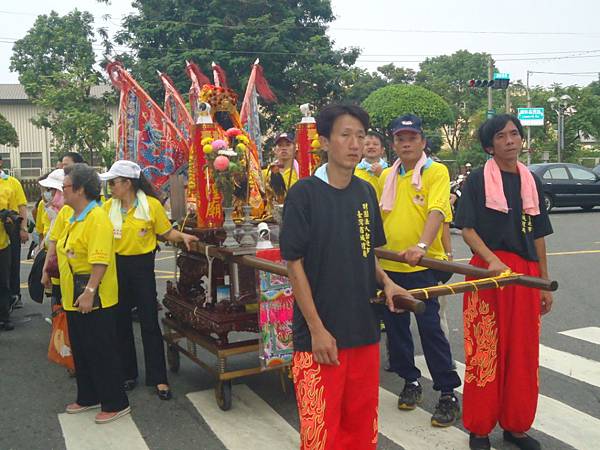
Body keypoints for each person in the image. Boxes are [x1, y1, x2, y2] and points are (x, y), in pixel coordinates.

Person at [280, 104, 409, 450]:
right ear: (324, 141)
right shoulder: (304, 195)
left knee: (361, 427)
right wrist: (317, 330)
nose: (355, 144)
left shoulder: (366, 192)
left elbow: (368, 255)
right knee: (321, 433)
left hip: (364, 329)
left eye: (361, 135)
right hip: (322, 338)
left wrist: (388, 282)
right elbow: (295, 266)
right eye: (345, 135)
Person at [455, 115, 553, 450]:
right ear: (489, 145)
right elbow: (467, 228)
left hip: (525, 275)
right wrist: (493, 261)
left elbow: (539, 233)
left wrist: (543, 279)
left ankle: (516, 425)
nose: (510, 140)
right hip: (487, 272)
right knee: (485, 350)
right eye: (501, 136)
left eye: (515, 134)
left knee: (523, 352)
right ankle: (479, 428)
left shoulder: (531, 181)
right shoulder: (478, 180)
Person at [377, 114, 461, 427]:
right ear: (394, 143)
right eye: (400, 138)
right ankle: (410, 381)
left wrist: (422, 247)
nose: (406, 142)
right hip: (389, 267)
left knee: (431, 331)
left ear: (423, 142)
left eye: (412, 137)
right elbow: (377, 218)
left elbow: (438, 209)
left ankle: (447, 392)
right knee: (397, 333)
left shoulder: (435, 171)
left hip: (424, 266)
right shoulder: (387, 175)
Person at [100, 160, 198, 400]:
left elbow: (165, 233)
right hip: (116, 267)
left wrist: (182, 235)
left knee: (149, 323)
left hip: (142, 267)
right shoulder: (106, 208)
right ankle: (127, 373)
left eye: (114, 182)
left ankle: (158, 378)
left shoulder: (151, 205)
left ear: (128, 183)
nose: (110, 187)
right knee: (120, 321)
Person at [43, 163, 130, 423]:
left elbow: (100, 260)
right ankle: (88, 396)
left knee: (101, 348)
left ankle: (116, 402)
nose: (61, 191)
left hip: (94, 294)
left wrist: (91, 291)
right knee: (81, 348)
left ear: (80, 190)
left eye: (66, 186)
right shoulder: (71, 216)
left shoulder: (97, 218)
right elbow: (60, 248)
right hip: (74, 293)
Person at [0, 156, 28, 311]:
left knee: (13, 263)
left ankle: (14, 295)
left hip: (11, 229)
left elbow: (22, 206)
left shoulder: (11, 182)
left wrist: (23, 228)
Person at [262, 132, 298, 203]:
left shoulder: (301, 172)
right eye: (280, 145)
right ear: (275, 150)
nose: (284, 148)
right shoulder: (266, 173)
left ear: (295, 148)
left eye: (288, 145)